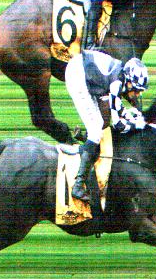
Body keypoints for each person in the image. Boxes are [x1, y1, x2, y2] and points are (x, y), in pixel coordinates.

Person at [63, 49, 149, 208]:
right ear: (129, 82)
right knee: (96, 130)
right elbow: (118, 124)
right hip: (78, 75)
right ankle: (78, 185)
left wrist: (132, 117)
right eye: (136, 90)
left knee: (98, 123)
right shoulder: (117, 83)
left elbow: (117, 108)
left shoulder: (121, 78)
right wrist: (136, 124)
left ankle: (85, 142)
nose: (137, 95)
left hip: (84, 72)